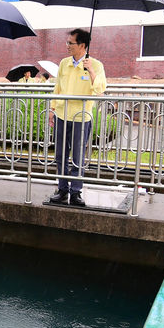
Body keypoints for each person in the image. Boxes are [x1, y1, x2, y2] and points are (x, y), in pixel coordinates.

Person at [48, 28, 107, 207]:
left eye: (70, 43)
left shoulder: (95, 64)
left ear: (82, 45)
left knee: (78, 156)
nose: (67, 46)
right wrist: (52, 109)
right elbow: (57, 87)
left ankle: (76, 192)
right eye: (67, 43)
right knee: (60, 155)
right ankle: (62, 189)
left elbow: (100, 89)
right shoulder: (64, 63)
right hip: (61, 114)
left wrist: (90, 71)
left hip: (82, 117)